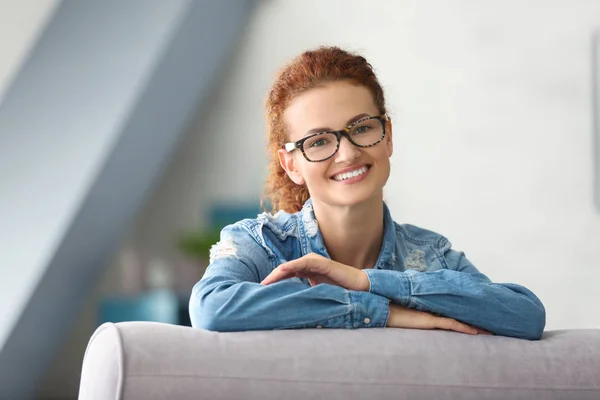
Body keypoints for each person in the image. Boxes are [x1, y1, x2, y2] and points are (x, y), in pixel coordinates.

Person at [189, 46, 546, 340]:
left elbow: (525, 315)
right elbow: (211, 307)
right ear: (291, 165)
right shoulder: (261, 244)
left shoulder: (431, 254)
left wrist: (367, 281)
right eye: (319, 141)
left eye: (361, 128)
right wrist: (377, 310)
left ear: (387, 135)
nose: (347, 154)